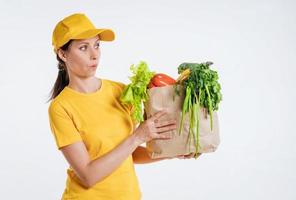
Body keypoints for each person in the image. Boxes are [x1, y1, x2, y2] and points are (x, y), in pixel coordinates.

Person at [48, 13, 194, 200]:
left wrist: (171, 152)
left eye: (97, 45)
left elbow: (129, 155)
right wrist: (138, 136)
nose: (94, 55)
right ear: (62, 54)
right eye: (83, 47)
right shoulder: (61, 107)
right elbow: (88, 176)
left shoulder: (120, 92)